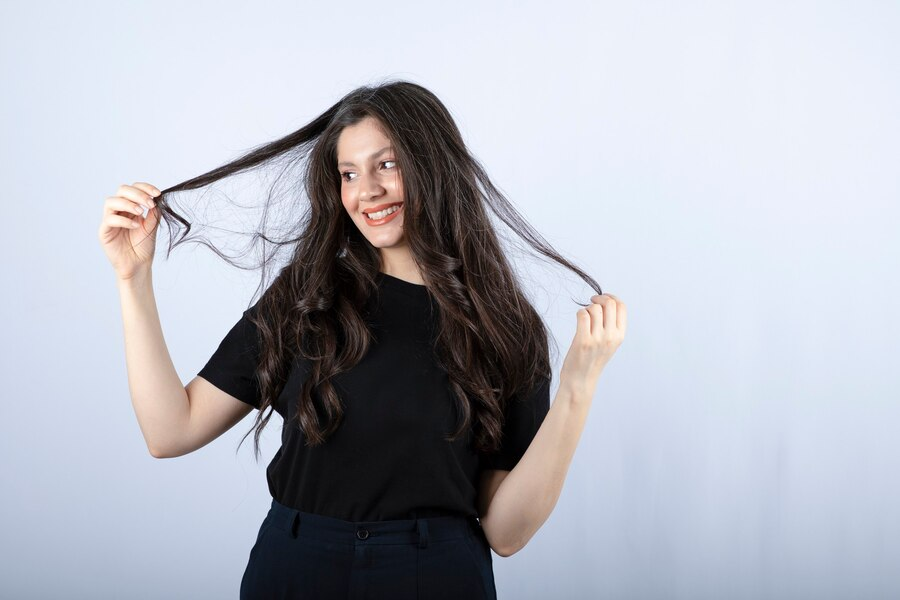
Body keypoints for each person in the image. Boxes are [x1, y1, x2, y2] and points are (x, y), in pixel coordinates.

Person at [97, 80, 627, 599]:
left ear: (434, 166)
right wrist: (133, 280)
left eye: (387, 164)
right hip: (296, 570)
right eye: (348, 173)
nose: (365, 191)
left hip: (436, 575)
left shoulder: (504, 325)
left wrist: (577, 390)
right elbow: (170, 431)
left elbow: (506, 533)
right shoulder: (305, 296)